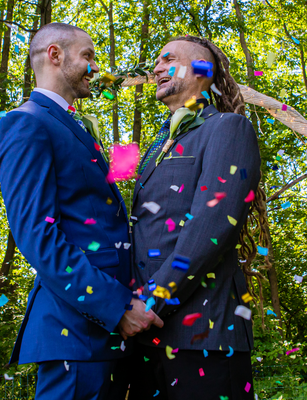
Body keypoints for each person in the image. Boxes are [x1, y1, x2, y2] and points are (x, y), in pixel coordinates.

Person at [0, 22, 164, 400]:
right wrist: (117, 307)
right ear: (55, 55)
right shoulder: (26, 122)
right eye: (87, 56)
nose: (94, 67)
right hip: (74, 332)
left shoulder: (72, 126)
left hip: (105, 335)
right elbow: (37, 236)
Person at [124, 35, 261, 400]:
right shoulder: (156, 146)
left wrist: (149, 303)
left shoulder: (228, 129)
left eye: (167, 58)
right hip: (146, 338)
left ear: (203, 70)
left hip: (204, 336)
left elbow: (211, 228)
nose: (155, 68)